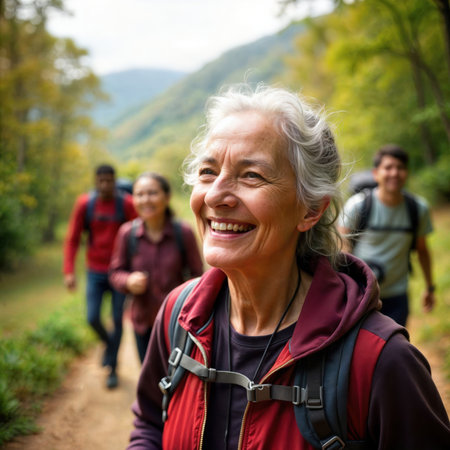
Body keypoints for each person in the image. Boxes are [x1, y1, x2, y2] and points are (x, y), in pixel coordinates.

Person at [127, 85, 449, 449]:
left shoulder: (380, 360)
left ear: (310, 210)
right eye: (207, 171)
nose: (215, 195)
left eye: (251, 175)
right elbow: (151, 423)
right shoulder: (178, 315)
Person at [109, 172, 204, 363]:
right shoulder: (127, 233)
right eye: (139, 194)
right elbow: (115, 272)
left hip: (177, 324)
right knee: (149, 382)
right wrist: (128, 280)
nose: (145, 200)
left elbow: (197, 277)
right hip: (143, 322)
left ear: (166, 197)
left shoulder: (182, 232)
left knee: (177, 382)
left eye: (152, 193)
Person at [338, 145, 435, 326]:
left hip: (397, 296)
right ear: (376, 173)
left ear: (407, 173)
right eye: (388, 167)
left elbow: (422, 250)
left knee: (393, 350)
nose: (394, 173)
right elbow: (341, 246)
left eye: (400, 168)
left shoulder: (417, 209)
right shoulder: (357, 206)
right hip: (360, 295)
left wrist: (430, 287)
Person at [63, 164, 137, 389]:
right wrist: (69, 271)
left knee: (117, 319)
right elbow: (73, 239)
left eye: (109, 181)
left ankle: (113, 369)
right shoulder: (85, 204)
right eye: (101, 181)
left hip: (119, 272)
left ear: (115, 181)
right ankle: (109, 344)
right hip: (94, 271)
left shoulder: (127, 204)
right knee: (92, 318)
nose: (105, 185)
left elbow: (138, 234)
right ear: (96, 182)